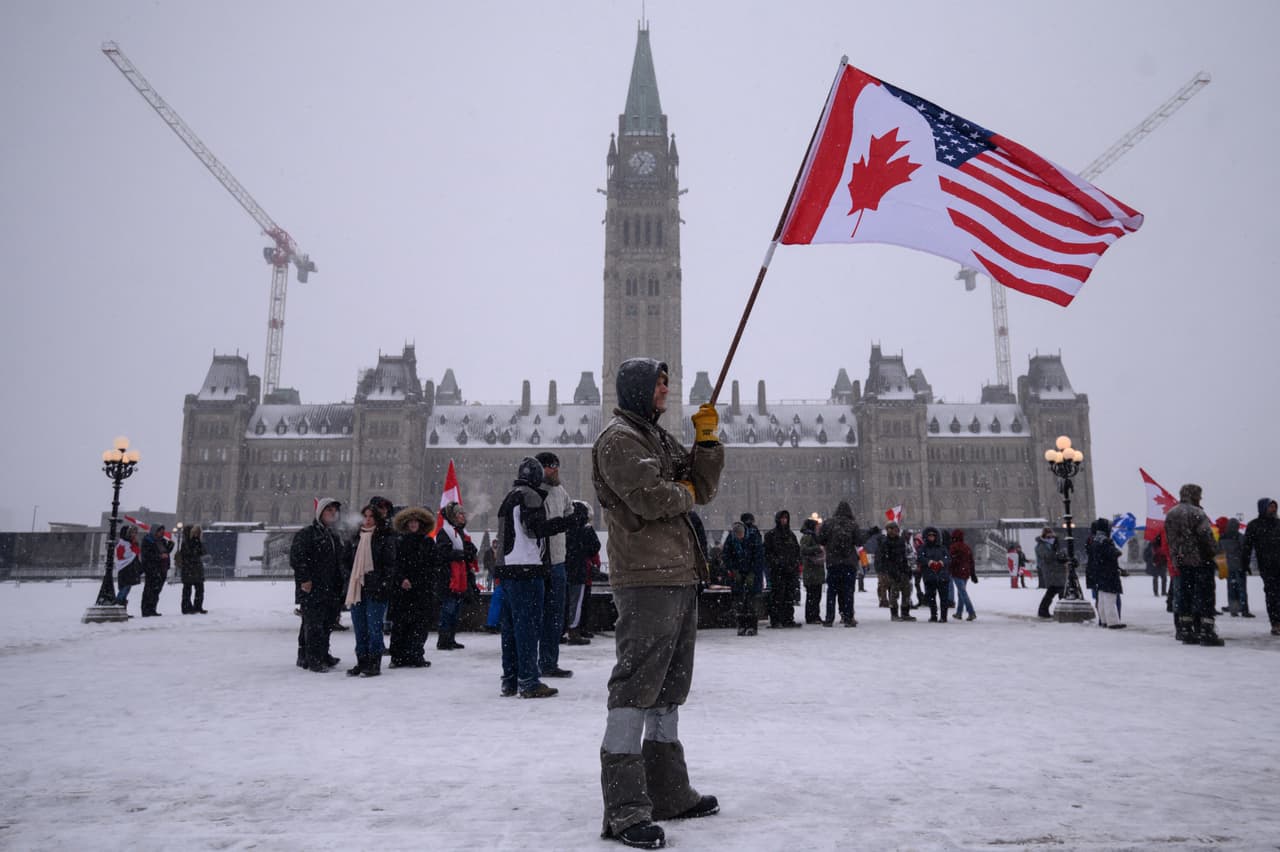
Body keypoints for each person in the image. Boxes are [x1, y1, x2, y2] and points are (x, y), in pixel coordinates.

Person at [593, 357, 724, 849]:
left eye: (668, 383)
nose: (667, 391)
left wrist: (707, 441)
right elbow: (651, 498)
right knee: (634, 688)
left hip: (678, 573)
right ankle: (624, 808)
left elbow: (701, 488)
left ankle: (667, 790)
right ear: (638, 390)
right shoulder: (619, 439)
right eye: (660, 384)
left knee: (670, 686)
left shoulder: (657, 438)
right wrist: (684, 491)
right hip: (646, 577)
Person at [495, 457, 585, 699]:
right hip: (527, 568)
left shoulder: (510, 496)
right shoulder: (531, 496)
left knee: (511, 628)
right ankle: (529, 681)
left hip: (508, 570)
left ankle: (510, 679)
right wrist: (569, 522)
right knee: (528, 627)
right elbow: (536, 529)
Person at [1164, 483, 1224, 646]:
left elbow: (1171, 542)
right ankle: (1206, 630)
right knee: (1205, 595)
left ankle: (1185, 629)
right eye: (1199, 495)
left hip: (1182, 562)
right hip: (1201, 560)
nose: (1200, 498)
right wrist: (1216, 555)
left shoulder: (1171, 514)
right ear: (1194, 495)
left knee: (1186, 596)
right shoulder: (1198, 513)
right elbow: (1207, 538)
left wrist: (1177, 559)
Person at [290, 498, 344, 673]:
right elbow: (298, 558)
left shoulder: (334, 536)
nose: (332, 513)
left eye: (334, 510)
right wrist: (305, 579)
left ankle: (321, 653)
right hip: (313, 587)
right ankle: (313, 658)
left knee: (327, 622)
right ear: (320, 513)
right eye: (328, 510)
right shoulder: (307, 534)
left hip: (331, 587)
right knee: (314, 623)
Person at [345, 498, 398, 676]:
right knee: (360, 627)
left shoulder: (385, 537)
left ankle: (374, 663)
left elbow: (390, 566)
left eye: (371, 516)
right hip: (357, 588)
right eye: (365, 516)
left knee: (374, 628)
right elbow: (347, 562)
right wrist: (349, 579)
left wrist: (383, 585)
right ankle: (362, 661)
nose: (367, 519)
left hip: (376, 589)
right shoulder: (356, 538)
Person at [534, 451, 575, 678]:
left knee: (555, 615)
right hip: (538, 562)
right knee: (535, 616)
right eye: (551, 466)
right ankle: (531, 664)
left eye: (557, 465)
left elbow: (569, 511)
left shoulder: (559, 490)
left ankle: (549, 662)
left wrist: (574, 516)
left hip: (558, 561)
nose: (555, 470)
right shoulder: (531, 492)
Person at [389, 505, 436, 668]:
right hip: (403, 589)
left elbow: (432, 566)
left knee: (419, 624)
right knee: (401, 624)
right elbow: (395, 564)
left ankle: (416, 654)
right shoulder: (399, 542)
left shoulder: (428, 542)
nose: (414, 524)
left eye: (417, 522)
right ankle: (398, 656)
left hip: (421, 589)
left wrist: (421, 581)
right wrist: (402, 579)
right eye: (411, 522)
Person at [818, 501, 869, 627]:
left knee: (832, 592)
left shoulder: (828, 523)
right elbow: (859, 541)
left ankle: (829, 618)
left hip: (833, 563)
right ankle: (848, 617)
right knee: (848, 592)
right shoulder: (852, 524)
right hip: (848, 563)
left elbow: (821, 540)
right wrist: (869, 533)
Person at [436, 502, 479, 651]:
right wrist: (462, 555)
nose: (463, 516)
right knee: (448, 609)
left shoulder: (459, 532)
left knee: (455, 610)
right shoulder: (445, 532)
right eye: (460, 514)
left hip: (459, 577)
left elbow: (464, 550)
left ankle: (450, 638)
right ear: (453, 517)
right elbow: (443, 553)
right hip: (449, 577)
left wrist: (469, 551)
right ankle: (444, 640)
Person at [1241, 497, 1280, 636]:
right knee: (1272, 595)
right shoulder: (1254, 525)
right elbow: (1247, 546)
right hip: (1267, 567)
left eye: (1275, 507)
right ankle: (1275, 623)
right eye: (1271, 507)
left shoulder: (1278, 524)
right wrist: (1244, 563)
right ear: (1263, 508)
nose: (1273, 509)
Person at [565, 501, 602, 645]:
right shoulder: (585, 529)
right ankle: (573, 631)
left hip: (565, 569)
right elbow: (595, 547)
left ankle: (561, 630)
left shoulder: (566, 527)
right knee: (576, 603)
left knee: (565, 602)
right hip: (579, 570)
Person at [764, 509, 802, 628]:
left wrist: (794, 564)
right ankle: (776, 620)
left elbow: (796, 551)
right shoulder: (771, 535)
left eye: (786, 518)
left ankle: (788, 619)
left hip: (790, 571)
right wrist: (777, 562)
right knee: (777, 596)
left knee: (789, 596)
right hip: (777, 571)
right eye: (782, 518)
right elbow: (767, 553)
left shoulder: (791, 535)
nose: (784, 520)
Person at [1086, 518, 1126, 629]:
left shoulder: (1094, 540)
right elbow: (1111, 554)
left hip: (1098, 574)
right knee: (1110, 599)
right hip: (1108, 574)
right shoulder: (1105, 541)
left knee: (1102, 598)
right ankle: (1112, 622)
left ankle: (1103, 620)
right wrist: (1117, 552)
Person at [875, 521, 914, 621]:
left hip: (903, 570)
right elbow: (884, 559)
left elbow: (904, 556)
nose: (893, 531)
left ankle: (905, 613)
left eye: (895, 529)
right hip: (892, 572)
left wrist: (907, 569)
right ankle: (894, 614)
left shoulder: (901, 541)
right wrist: (890, 571)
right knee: (894, 594)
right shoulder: (885, 543)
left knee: (906, 592)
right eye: (891, 529)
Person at [723, 523, 757, 636]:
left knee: (750, 601)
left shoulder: (752, 538)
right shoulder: (731, 541)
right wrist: (734, 570)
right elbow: (726, 556)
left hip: (750, 573)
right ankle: (742, 626)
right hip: (737, 574)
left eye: (741, 534)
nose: (740, 537)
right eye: (738, 535)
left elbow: (758, 556)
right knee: (740, 602)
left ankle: (752, 626)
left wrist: (752, 572)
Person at [1219, 517, 1254, 618]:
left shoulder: (1222, 537)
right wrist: (1246, 565)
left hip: (1228, 567)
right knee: (1242, 589)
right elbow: (1245, 552)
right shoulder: (1240, 537)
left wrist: (1221, 568)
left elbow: (1219, 553)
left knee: (1231, 589)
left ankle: (1233, 610)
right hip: (1239, 566)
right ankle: (1244, 610)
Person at [916, 527, 951, 622]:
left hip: (942, 576)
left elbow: (948, 558)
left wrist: (941, 563)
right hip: (929, 576)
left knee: (944, 598)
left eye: (933, 536)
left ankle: (944, 617)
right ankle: (933, 615)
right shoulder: (923, 548)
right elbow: (920, 558)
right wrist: (929, 562)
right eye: (929, 536)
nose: (931, 537)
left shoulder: (942, 547)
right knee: (931, 597)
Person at [139, 524, 174, 617]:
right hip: (152, 568)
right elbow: (147, 555)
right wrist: (159, 557)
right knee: (149, 590)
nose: (162, 533)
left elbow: (165, 552)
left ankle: (152, 609)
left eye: (163, 531)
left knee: (157, 590)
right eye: (160, 531)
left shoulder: (162, 541)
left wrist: (170, 547)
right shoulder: (148, 541)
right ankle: (146, 610)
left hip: (162, 568)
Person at [799, 516, 826, 625]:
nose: (818, 528)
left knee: (816, 595)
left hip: (816, 571)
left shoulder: (814, 536)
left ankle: (815, 615)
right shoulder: (808, 537)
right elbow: (804, 550)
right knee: (812, 595)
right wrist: (818, 549)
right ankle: (811, 617)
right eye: (816, 526)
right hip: (811, 571)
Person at [1035, 527, 1066, 619]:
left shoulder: (1054, 545)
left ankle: (1043, 610)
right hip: (1050, 572)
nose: (1051, 538)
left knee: (1053, 591)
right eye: (1048, 536)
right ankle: (1063, 611)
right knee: (1059, 590)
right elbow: (1047, 557)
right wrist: (1054, 550)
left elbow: (1059, 555)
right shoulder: (1040, 546)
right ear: (1044, 536)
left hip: (1059, 571)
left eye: (1052, 536)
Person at [177, 524, 207, 614]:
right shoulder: (186, 543)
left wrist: (198, 543)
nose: (196, 534)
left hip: (196, 569)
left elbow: (203, 552)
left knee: (199, 589)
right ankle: (187, 608)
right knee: (188, 589)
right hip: (189, 569)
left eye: (198, 532)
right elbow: (188, 555)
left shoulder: (198, 542)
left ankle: (197, 607)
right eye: (195, 532)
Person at [949, 529, 977, 621]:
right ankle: (959, 613)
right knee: (961, 592)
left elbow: (951, 561)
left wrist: (948, 570)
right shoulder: (967, 547)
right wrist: (973, 574)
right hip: (966, 572)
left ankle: (971, 612)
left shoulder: (953, 547)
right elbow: (971, 561)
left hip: (957, 572)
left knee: (962, 593)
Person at [113, 524, 142, 611]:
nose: (134, 535)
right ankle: (118, 606)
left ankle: (122, 609)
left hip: (130, 569)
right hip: (125, 569)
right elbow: (126, 555)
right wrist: (134, 546)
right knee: (124, 589)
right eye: (132, 533)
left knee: (127, 589)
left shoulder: (129, 543)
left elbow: (136, 552)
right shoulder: (122, 544)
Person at [484, 540, 503, 633]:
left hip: (499, 577)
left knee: (496, 602)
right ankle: (494, 624)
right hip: (501, 578)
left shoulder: (497, 552)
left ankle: (492, 624)